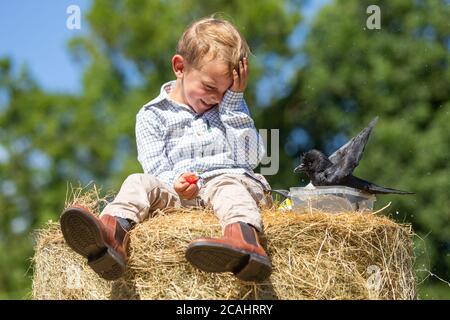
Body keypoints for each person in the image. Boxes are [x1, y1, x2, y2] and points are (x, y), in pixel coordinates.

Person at [60, 16, 273, 283]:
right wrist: (175, 182)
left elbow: (252, 158)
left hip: (230, 184)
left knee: (227, 187)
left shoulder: (229, 109)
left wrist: (234, 104)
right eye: (209, 87)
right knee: (137, 181)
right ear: (180, 67)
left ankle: (244, 242)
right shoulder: (152, 116)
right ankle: (110, 237)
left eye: (226, 90)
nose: (216, 97)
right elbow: (155, 168)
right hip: (180, 196)